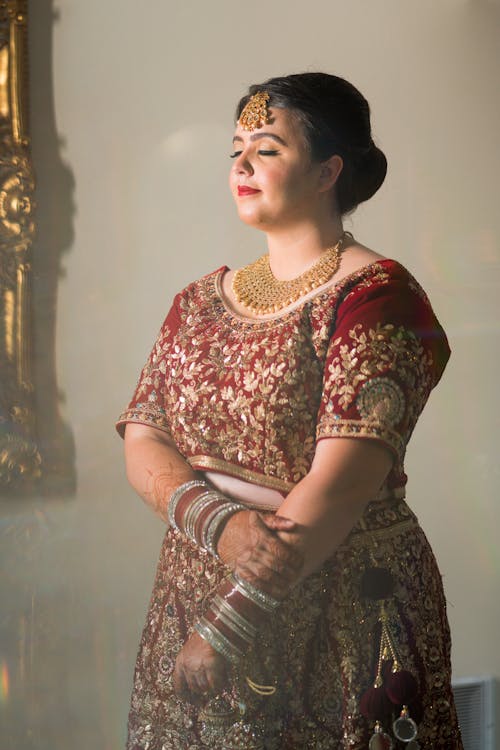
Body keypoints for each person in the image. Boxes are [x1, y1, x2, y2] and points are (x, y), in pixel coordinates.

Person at [117, 73, 463, 749]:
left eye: (267, 148)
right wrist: (220, 527)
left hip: (335, 605)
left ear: (328, 170)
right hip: (193, 581)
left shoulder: (378, 297)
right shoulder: (197, 301)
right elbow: (142, 439)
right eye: (236, 148)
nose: (242, 164)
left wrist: (228, 622)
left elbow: (340, 484)